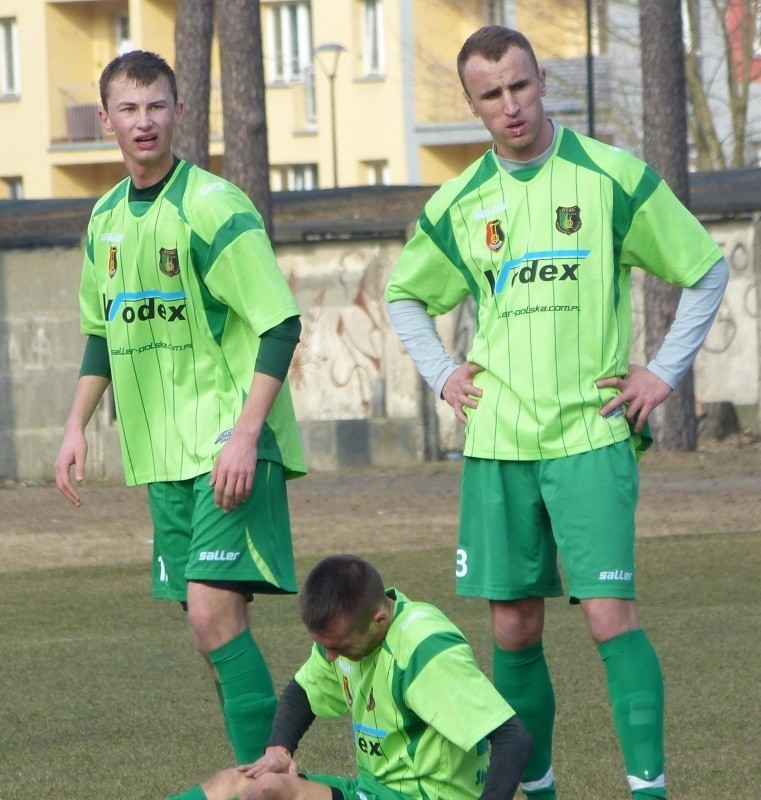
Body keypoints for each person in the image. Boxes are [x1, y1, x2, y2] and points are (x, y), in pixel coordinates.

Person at [384, 25, 728, 800]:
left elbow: (706, 270)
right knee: (513, 631)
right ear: (472, 105)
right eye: (490, 95)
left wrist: (662, 374)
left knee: (609, 617)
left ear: (540, 81)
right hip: (498, 443)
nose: (510, 106)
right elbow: (404, 295)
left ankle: (648, 790)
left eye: (520, 86)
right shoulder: (462, 201)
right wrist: (442, 373)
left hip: (588, 435)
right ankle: (535, 790)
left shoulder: (608, 177)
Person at [54, 50, 306, 764]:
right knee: (208, 632)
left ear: (180, 113)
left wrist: (244, 438)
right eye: (128, 109)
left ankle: (267, 782)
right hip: (162, 456)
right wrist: (75, 424)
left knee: (212, 617)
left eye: (157, 106)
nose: (144, 122)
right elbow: (102, 334)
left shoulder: (212, 205)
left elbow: (278, 322)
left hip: (226, 444)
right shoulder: (103, 219)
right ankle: (265, 771)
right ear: (105, 120)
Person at [165, 554, 533, 800]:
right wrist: (279, 748)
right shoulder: (349, 639)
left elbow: (512, 737)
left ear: (379, 621)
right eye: (323, 646)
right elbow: (303, 691)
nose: (329, 657)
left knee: (270, 792)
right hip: (371, 791)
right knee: (239, 783)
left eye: (338, 647)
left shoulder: (424, 650)